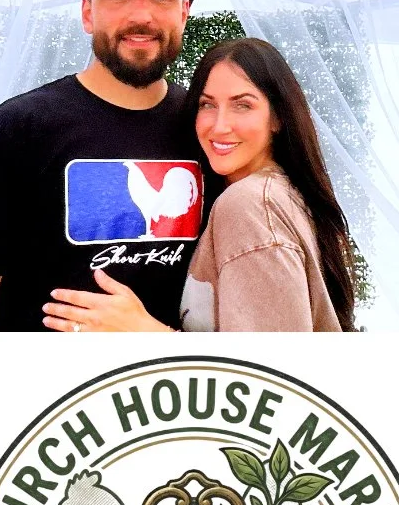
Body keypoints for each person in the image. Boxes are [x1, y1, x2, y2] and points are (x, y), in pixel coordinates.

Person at [0, 0, 205, 332]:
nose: (141, 15)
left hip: (162, 389)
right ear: (88, 13)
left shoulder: (209, 129)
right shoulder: (19, 126)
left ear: (184, 13)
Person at [43, 38, 355, 334]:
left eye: (242, 105)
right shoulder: (283, 191)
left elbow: (269, 374)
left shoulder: (248, 204)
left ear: (277, 118)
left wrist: (146, 332)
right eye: (207, 105)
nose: (219, 126)